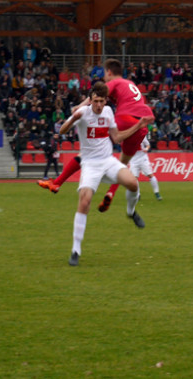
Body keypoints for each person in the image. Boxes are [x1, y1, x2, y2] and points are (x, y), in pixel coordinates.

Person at [38, 58, 154, 213]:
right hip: (141, 125)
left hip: (125, 118)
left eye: (105, 74)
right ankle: (110, 193)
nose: (105, 77)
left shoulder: (116, 82)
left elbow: (97, 93)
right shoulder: (131, 85)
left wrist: (79, 107)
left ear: (109, 72)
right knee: (123, 164)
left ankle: (57, 182)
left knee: (88, 151)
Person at [60, 82, 152, 266]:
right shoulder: (83, 113)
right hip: (90, 164)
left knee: (133, 184)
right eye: (95, 101)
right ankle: (76, 250)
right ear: (90, 100)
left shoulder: (109, 112)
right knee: (84, 201)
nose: (99, 105)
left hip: (108, 161)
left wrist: (139, 125)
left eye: (102, 101)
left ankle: (130, 212)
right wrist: (72, 119)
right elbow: (61, 131)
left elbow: (116, 138)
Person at [129, 135, 162, 201]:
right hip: (133, 161)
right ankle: (137, 195)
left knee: (150, 175)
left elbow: (148, 145)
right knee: (134, 178)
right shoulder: (128, 137)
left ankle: (157, 193)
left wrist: (146, 149)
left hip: (143, 159)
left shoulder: (141, 136)